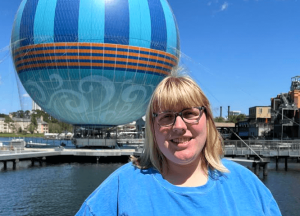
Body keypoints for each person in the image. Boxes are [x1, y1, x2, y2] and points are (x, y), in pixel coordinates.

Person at [76, 73, 282, 216]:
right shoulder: (120, 188)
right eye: (166, 117)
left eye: (190, 113)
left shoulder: (248, 184)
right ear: (152, 128)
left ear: (208, 119)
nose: (179, 126)